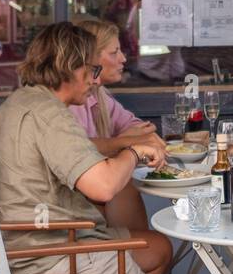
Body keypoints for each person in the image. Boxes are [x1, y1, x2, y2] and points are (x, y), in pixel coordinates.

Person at [0, 22, 192, 274]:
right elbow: (103, 188)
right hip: (53, 253)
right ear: (71, 67)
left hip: (45, 242)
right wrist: (134, 151)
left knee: (156, 253)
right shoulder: (48, 115)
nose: (96, 80)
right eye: (92, 70)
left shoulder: (26, 101)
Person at [70, 17, 165, 232]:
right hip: (73, 210)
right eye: (114, 52)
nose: (123, 59)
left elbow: (143, 129)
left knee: (125, 184)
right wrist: (126, 142)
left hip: (91, 199)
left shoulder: (100, 94)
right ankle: (135, 250)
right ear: (90, 58)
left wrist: (123, 142)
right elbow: (81, 147)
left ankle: (136, 249)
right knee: (124, 187)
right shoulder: (72, 101)